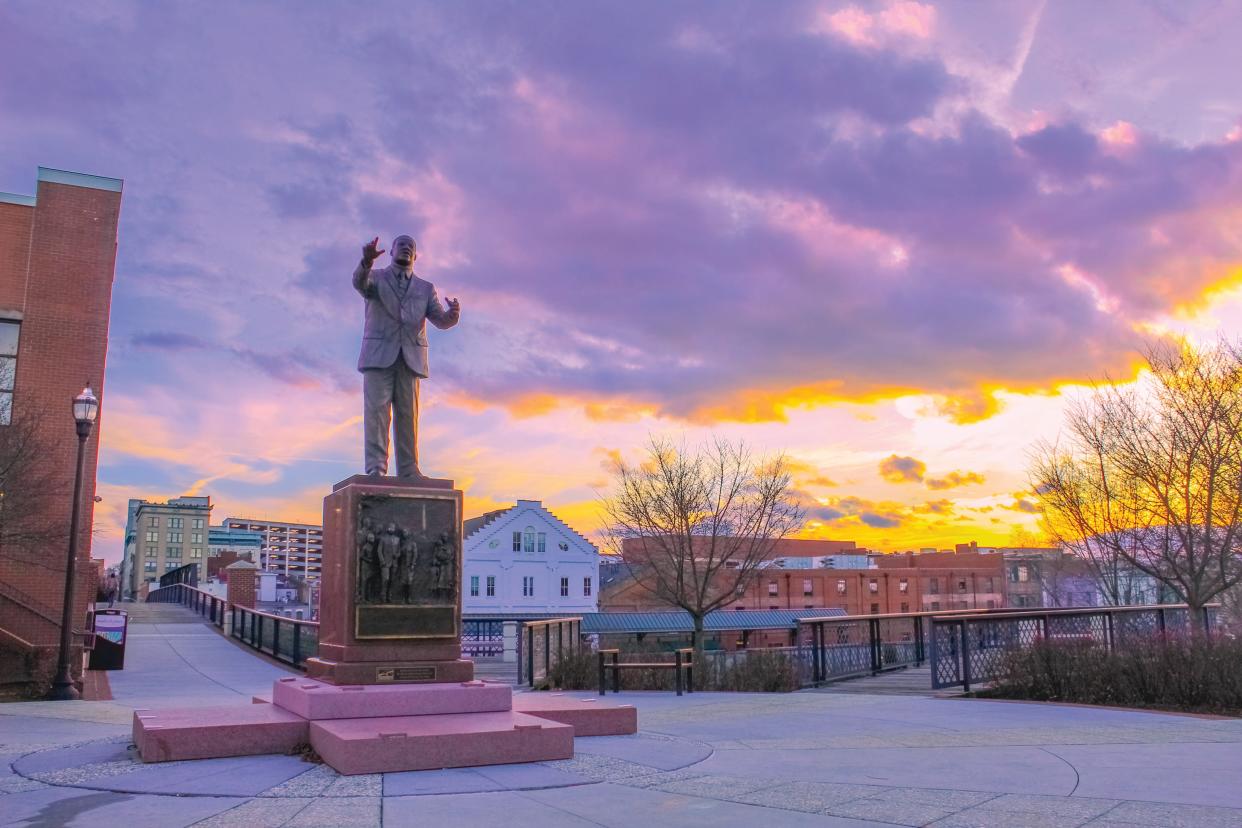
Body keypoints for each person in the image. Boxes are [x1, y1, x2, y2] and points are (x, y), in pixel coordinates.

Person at [353, 235, 460, 478]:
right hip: (378, 356)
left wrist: (452, 315)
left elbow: (440, 320)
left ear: (416, 256)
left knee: (408, 416)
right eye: (401, 245)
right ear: (390, 252)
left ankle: (409, 469)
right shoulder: (376, 278)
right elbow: (360, 283)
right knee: (377, 413)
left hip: (410, 358)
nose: (406, 248)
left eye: (410, 246)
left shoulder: (425, 288)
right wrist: (366, 262)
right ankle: (376, 467)